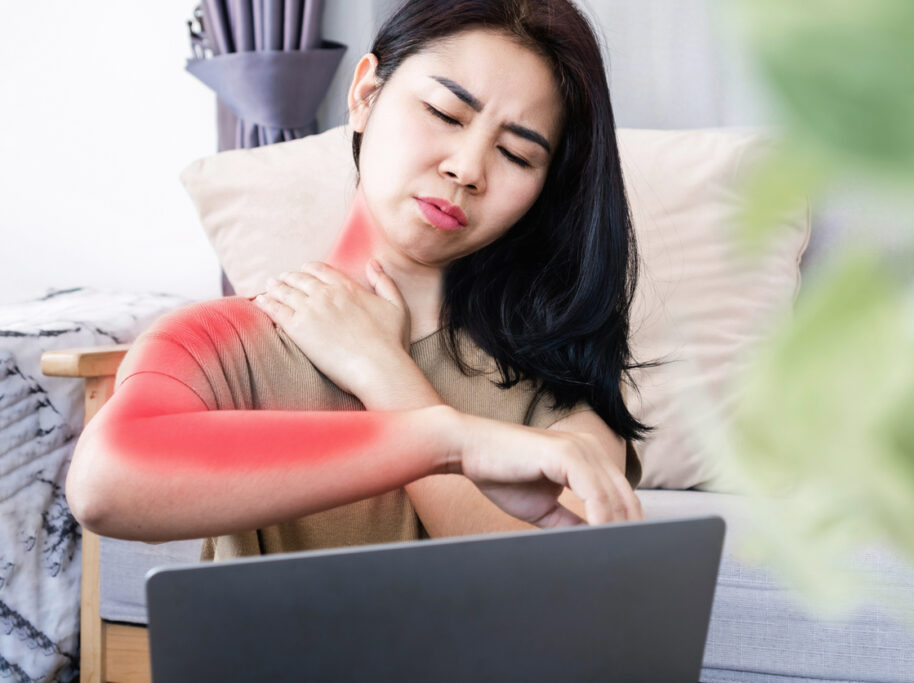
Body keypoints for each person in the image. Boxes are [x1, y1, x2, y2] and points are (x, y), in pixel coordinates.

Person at [66, 0, 648, 560]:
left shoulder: (558, 377)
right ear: (366, 94)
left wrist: (387, 375)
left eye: (517, 155)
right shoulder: (225, 340)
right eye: (445, 114)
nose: (467, 170)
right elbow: (104, 485)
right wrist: (447, 443)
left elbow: (553, 593)